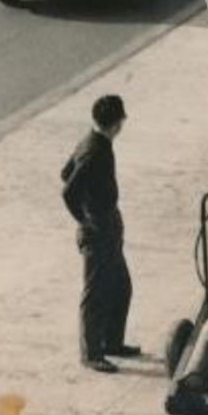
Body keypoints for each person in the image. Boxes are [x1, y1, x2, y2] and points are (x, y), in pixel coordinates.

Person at [60, 94, 137, 373]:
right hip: (99, 229)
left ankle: (111, 342)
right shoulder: (95, 150)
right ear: (116, 123)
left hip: (108, 225)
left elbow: (64, 171)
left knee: (120, 286)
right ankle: (92, 353)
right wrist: (85, 218)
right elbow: (68, 190)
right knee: (96, 293)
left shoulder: (91, 142)